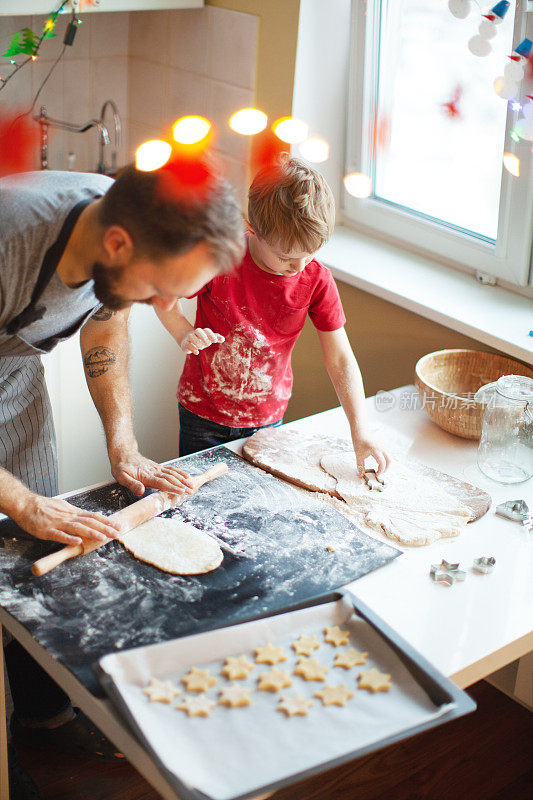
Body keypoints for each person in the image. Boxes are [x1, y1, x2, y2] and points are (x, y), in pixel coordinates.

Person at [0, 163, 244, 773]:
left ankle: (43, 719)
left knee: (31, 564)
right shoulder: (9, 240)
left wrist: (124, 442)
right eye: (161, 288)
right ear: (117, 244)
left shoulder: (121, 235)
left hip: (12, 380)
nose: (166, 306)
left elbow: (106, 315)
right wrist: (22, 500)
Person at [156, 154, 389, 475]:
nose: (298, 267)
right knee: (199, 502)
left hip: (267, 418)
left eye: (309, 256)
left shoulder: (316, 280)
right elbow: (163, 296)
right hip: (203, 413)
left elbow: (340, 360)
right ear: (252, 229)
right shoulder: (222, 259)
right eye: (285, 257)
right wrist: (183, 333)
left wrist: (360, 432)